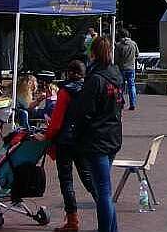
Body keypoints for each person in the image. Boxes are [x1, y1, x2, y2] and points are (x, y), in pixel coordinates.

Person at [68, 37, 123, 232]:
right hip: (113, 136)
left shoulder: (95, 79)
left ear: (93, 53)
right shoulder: (116, 74)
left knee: (103, 192)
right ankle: (112, 229)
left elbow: (85, 112)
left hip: (97, 140)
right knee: (104, 189)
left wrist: (76, 134)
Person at [45, 61, 96, 232]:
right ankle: (105, 211)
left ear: (69, 73)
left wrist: (48, 135)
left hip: (65, 141)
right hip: (82, 140)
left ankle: (72, 221)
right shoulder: (89, 90)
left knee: (66, 181)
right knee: (88, 178)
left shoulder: (65, 91)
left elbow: (57, 121)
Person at [114, 28, 139, 111]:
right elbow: (137, 54)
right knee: (132, 85)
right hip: (131, 67)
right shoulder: (133, 44)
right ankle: (133, 103)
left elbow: (116, 59)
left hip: (121, 68)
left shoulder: (118, 45)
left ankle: (121, 102)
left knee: (120, 86)